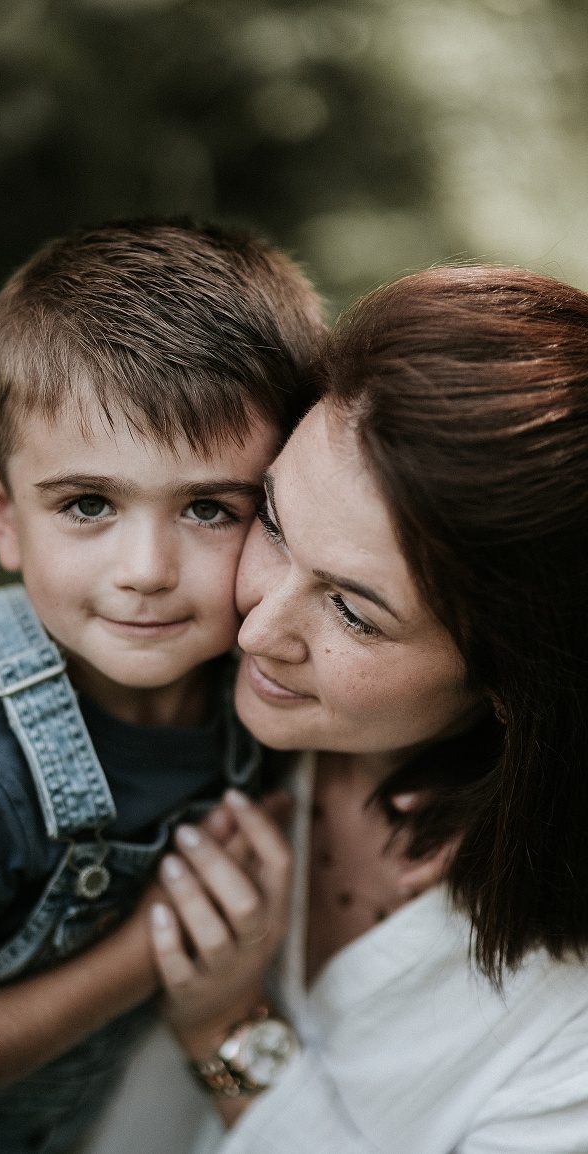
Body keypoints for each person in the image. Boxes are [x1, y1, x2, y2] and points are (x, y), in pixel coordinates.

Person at [0, 220, 324, 1154]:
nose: (144, 569)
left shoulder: (256, 690)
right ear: (2, 516)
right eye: (87, 504)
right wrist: (153, 949)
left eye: (209, 508)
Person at [149, 266, 588, 1153]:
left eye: (354, 611)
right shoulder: (173, 681)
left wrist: (229, 1031)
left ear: (513, 685)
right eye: (272, 520)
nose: (257, 627)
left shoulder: (562, 1040)